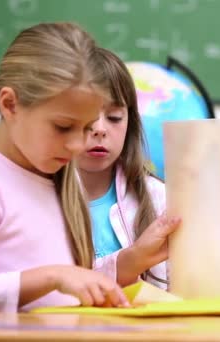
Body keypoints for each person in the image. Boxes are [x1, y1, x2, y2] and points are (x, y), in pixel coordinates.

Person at [0, 22, 133, 312]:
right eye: (63, 127)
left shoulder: (65, 179)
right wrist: (50, 277)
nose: (77, 145)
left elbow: (68, 287)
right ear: (10, 104)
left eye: (86, 127)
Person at [77, 47, 179, 289]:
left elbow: (196, 277)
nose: (100, 129)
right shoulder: (39, 196)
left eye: (114, 117)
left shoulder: (158, 198)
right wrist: (128, 262)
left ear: (129, 124)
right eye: (85, 115)